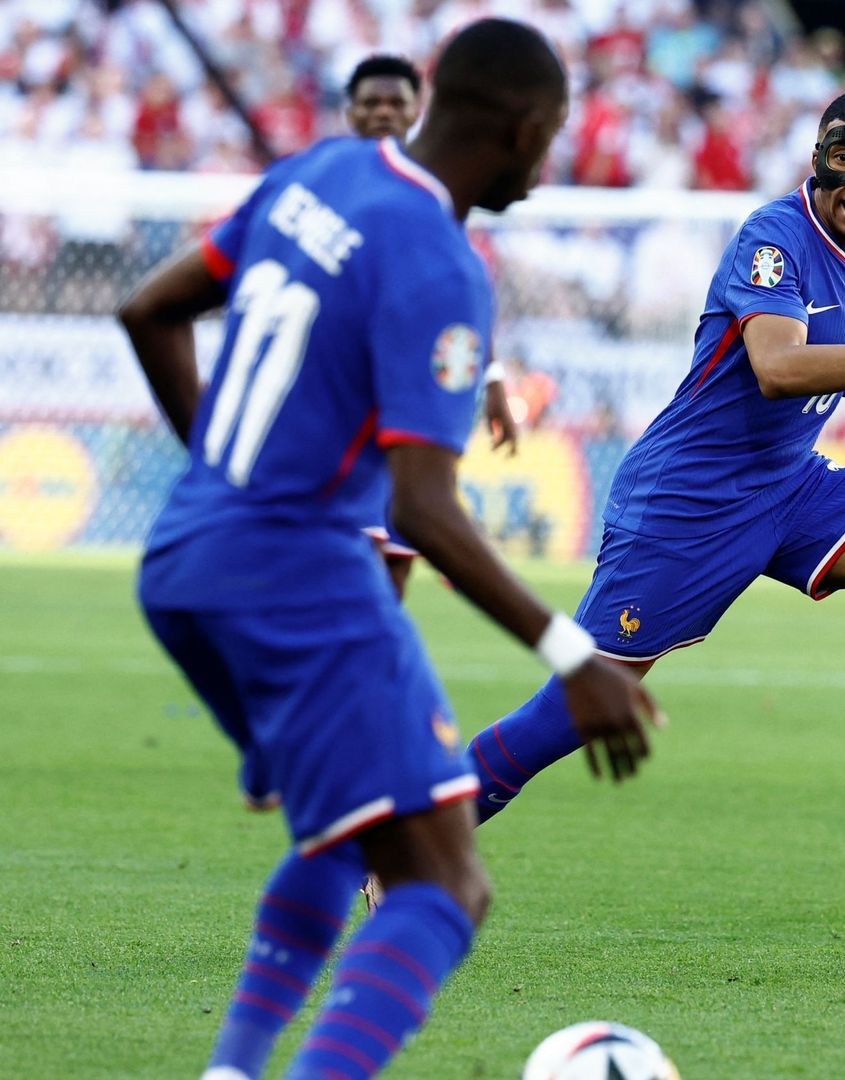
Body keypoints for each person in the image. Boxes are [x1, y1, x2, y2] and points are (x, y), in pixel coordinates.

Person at [118, 21, 648, 1080]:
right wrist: (572, 657)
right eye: (550, 138)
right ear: (520, 124)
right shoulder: (442, 263)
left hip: (182, 562)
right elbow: (427, 508)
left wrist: (226, 474)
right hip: (301, 578)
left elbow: (149, 309)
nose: (548, 167)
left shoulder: (320, 171)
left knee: (348, 834)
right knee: (445, 886)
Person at [466, 89, 845, 901]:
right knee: (583, 705)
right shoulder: (773, 239)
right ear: (817, 159)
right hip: (691, 499)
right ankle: (413, 838)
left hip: (790, 483)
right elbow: (778, 369)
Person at [342, 52, 522, 597]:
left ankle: (366, 672)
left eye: (395, 102)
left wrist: (491, 379)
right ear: (349, 112)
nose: (383, 113)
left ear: (417, 109)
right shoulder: (334, 181)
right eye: (370, 103)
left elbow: (459, 288)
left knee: (395, 562)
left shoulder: (436, 190)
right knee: (350, 560)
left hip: (409, 404)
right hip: (347, 403)